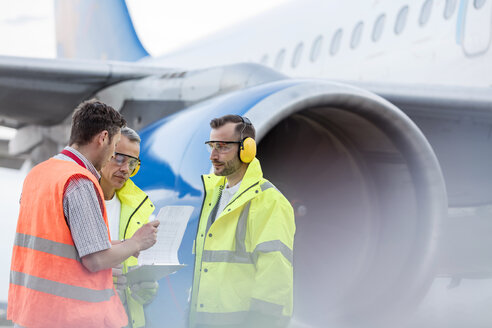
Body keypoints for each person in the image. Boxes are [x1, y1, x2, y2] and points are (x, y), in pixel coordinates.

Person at [7, 99, 160, 328]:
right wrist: (137, 243)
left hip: (33, 312)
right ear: (103, 138)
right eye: (115, 146)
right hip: (70, 316)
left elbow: (59, 243)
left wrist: (122, 244)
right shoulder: (79, 181)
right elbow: (95, 260)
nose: (112, 156)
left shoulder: (40, 173)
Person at [189, 115, 296, 328]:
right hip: (205, 318)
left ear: (247, 149)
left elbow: (275, 273)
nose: (213, 155)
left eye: (222, 147)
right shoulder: (213, 195)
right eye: (211, 146)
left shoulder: (269, 201)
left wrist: (261, 322)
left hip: (242, 320)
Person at [100, 127, 158, 328]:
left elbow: (139, 267)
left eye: (132, 163)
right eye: (119, 158)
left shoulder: (138, 209)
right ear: (103, 152)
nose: (126, 169)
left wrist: (147, 289)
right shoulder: (80, 200)